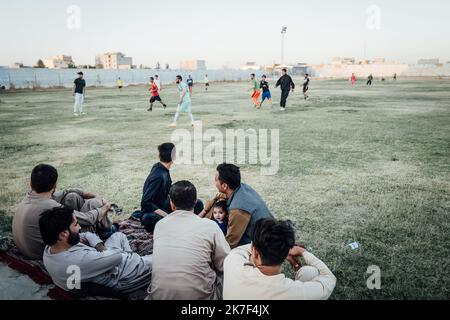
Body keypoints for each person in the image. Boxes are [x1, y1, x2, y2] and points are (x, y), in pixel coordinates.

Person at [147, 181, 230, 300]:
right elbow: (225, 264)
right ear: (195, 201)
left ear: (172, 203)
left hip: (158, 296)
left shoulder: (160, 225)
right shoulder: (210, 226)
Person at [40, 206, 152, 294]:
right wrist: (105, 252)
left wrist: (98, 244)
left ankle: (132, 256)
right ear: (63, 234)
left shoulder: (50, 249)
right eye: (76, 225)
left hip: (105, 260)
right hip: (125, 276)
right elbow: (117, 257)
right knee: (166, 259)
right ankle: (137, 260)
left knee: (118, 236)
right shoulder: (79, 260)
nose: (79, 228)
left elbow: (87, 234)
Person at [12, 164, 113, 260]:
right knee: (94, 204)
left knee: (72, 196)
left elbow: (65, 192)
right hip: (45, 253)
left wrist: (87, 194)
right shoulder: (51, 206)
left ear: (31, 183)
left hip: (28, 250)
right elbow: (88, 219)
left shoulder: (29, 198)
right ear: (54, 185)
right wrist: (105, 206)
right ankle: (107, 230)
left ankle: (105, 228)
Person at [223, 219, 337, 300]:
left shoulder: (232, 260)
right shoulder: (292, 292)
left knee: (307, 272)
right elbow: (330, 278)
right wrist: (303, 252)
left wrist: (271, 247)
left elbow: (243, 250)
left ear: (255, 251)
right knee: (311, 272)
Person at [135, 143, 204, 232]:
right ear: (174, 157)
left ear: (159, 155)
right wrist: (168, 216)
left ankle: (179, 222)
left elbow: (166, 190)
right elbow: (145, 203)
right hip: (157, 210)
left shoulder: (161, 168)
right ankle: (180, 223)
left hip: (168, 204)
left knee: (197, 203)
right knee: (148, 219)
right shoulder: (158, 176)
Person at [213, 163, 274, 248]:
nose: (214, 182)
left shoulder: (237, 210)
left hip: (264, 246)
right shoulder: (243, 187)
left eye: (216, 180)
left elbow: (230, 243)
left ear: (224, 186)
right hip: (270, 234)